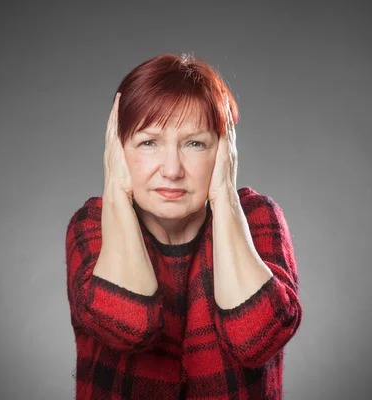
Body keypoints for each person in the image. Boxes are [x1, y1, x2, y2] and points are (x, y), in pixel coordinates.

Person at [65, 53, 302, 399]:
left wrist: (224, 194)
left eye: (195, 143)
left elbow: (256, 338)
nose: (172, 169)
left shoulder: (257, 217)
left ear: (224, 150)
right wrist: (115, 187)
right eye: (149, 143)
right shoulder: (93, 226)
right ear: (118, 151)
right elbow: (130, 326)